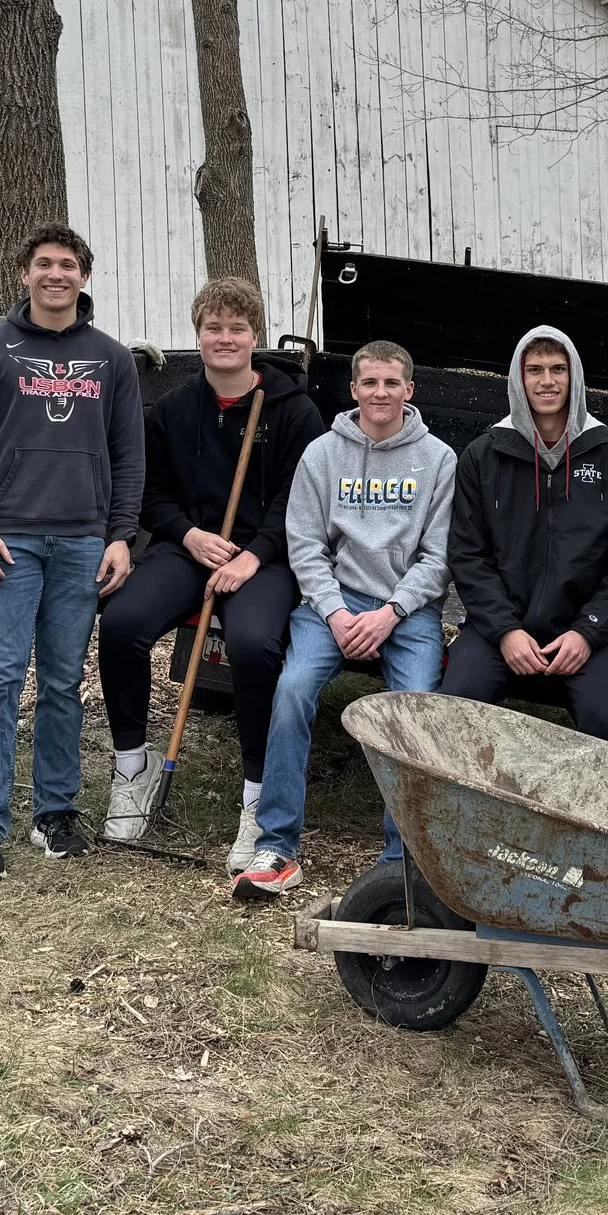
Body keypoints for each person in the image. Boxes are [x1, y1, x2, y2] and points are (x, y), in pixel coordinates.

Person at [94, 276, 321, 868]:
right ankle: (133, 767)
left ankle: (259, 795)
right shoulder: (173, 409)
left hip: (264, 558)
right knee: (122, 622)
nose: (225, 338)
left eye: (237, 328)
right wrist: (189, 535)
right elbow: (151, 495)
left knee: (252, 643)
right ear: (198, 336)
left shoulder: (293, 410)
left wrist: (255, 554)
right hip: (190, 547)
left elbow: (302, 500)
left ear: (254, 335)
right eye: (213, 327)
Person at [0, 225, 143, 880]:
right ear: (24, 273)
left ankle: (55, 812)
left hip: (82, 541)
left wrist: (120, 535)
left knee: (62, 680)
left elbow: (128, 454)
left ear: (84, 276)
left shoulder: (111, 359)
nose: (56, 274)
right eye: (44, 264)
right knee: (1, 676)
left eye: (68, 265)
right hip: (9, 541)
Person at [233, 341, 456, 902]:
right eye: (369, 383)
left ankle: (401, 860)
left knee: (415, 712)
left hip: (406, 609)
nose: (380, 393)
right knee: (292, 690)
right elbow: (305, 545)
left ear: (410, 390)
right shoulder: (322, 454)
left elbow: (439, 558)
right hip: (334, 602)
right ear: (353, 389)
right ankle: (276, 846)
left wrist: (391, 613)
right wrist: (334, 612)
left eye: (391, 383)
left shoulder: (439, 460)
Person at [442, 326, 608, 742]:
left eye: (558, 369)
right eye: (534, 370)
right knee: (456, 707)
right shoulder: (484, 454)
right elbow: (467, 555)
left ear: (575, 377)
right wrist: (505, 630)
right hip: (498, 628)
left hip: (585, 632)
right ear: (518, 379)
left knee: (605, 720)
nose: (547, 381)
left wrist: (587, 632)